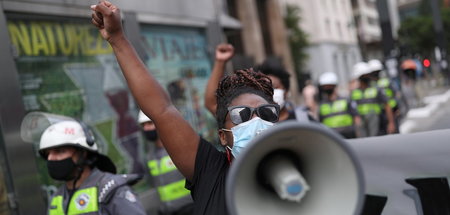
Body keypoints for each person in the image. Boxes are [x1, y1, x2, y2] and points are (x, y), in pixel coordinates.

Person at [91, 2, 281, 214]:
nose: (256, 122)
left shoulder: (301, 166)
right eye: (241, 115)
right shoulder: (209, 171)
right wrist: (118, 39)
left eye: (266, 113)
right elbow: (161, 109)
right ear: (223, 136)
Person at [39, 120, 146, 215]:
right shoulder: (56, 198)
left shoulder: (110, 190)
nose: (51, 158)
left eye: (59, 151)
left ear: (83, 153)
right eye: (47, 154)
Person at [138, 111, 194, 215]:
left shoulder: (179, 149)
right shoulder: (150, 157)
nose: (146, 128)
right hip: (167, 211)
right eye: (143, 125)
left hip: (191, 208)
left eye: (149, 123)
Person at [350, 62, 396, 137]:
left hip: (377, 121)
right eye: (364, 75)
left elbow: (387, 105)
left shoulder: (377, 89)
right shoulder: (354, 92)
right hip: (362, 123)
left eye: (367, 75)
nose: (367, 77)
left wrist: (391, 123)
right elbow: (353, 112)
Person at [317, 72, 360, 138]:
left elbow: (356, 117)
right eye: (325, 87)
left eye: (329, 86)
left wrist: (358, 133)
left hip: (349, 135)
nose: (327, 88)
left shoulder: (346, 100)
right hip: (332, 138)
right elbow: (320, 123)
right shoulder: (321, 105)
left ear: (334, 86)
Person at [367, 59, 401, 134]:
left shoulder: (386, 82)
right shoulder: (370, 85)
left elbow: (396, 94)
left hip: (392, 110)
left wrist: (398, 107)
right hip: (380, 114)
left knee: (395, 132)